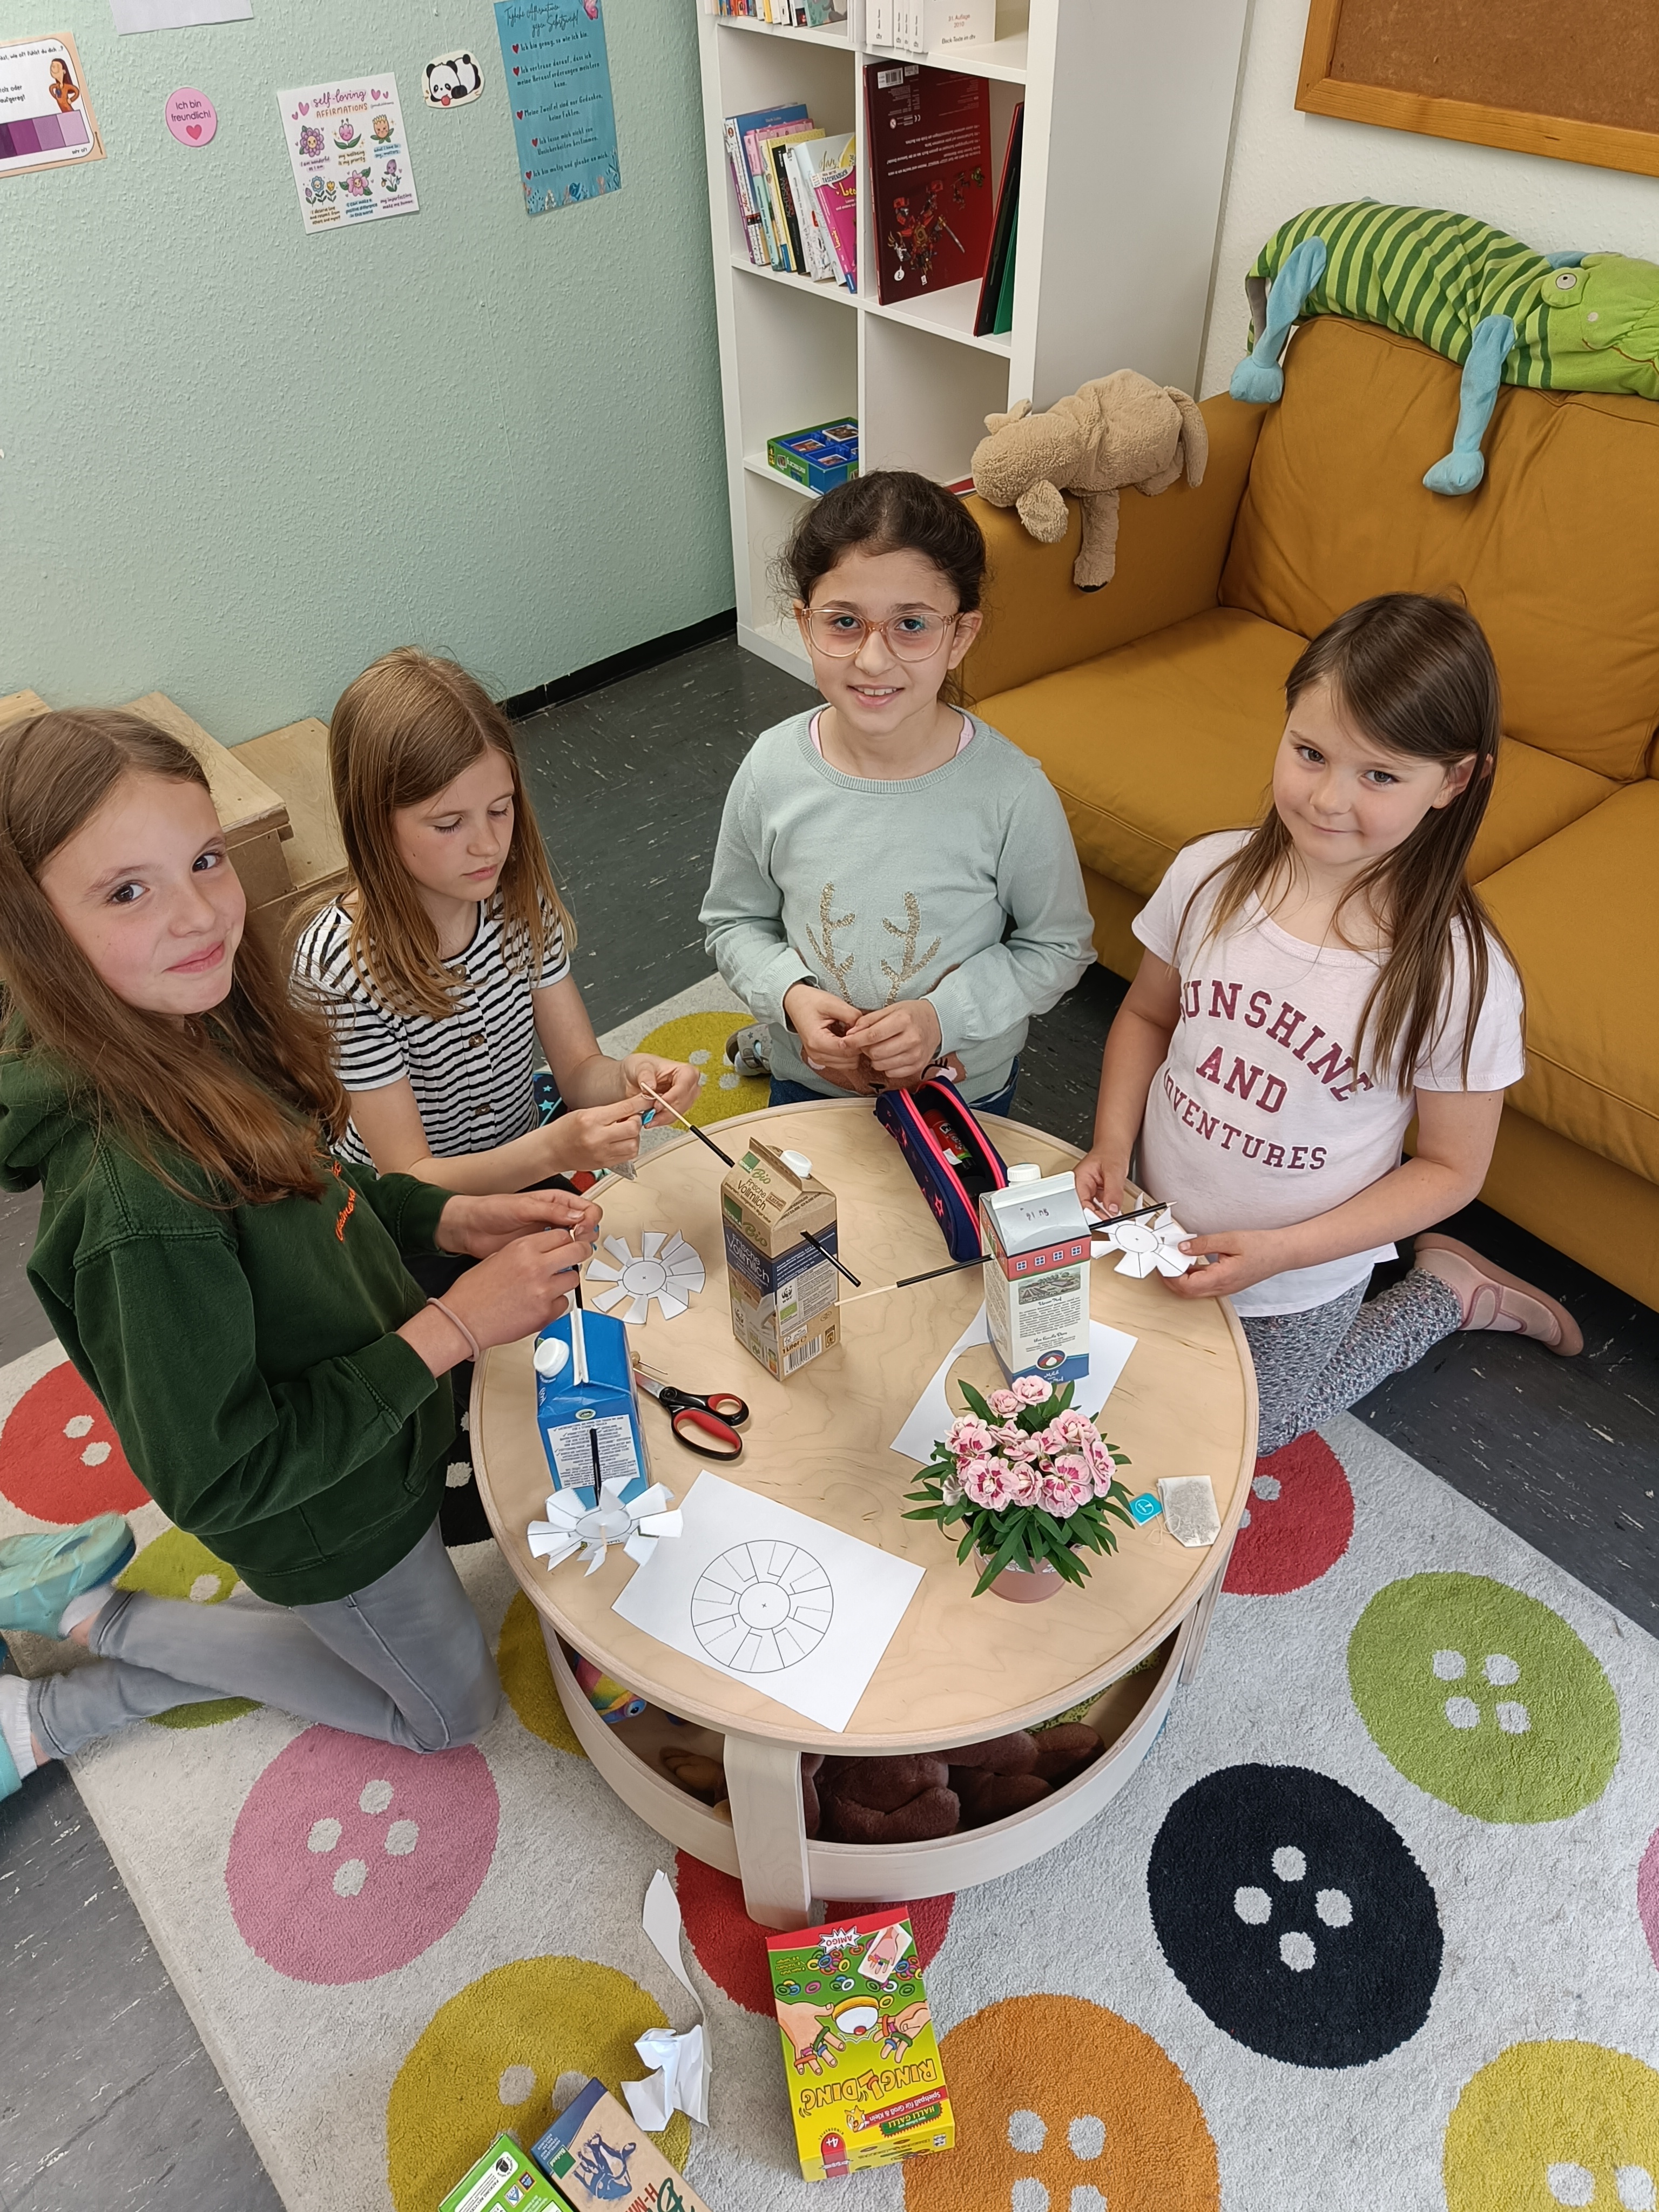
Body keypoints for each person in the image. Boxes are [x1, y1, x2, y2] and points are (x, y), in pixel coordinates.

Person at [0, 710, 598, 1806]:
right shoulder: (138, 1206)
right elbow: (224, 1473)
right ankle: (88, 1654)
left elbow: (319, 1188)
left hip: (374, 1428)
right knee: (451, 1714)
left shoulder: (198, 1018)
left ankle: (79, 1619)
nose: (198, 915)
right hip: (324, 1516)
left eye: (205, 859)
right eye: (126, 891)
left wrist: (444, 1219)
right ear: (34, 931)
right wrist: (454, 1324)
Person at [1075, 594, 1580, 1461]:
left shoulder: (1461, 977)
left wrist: (1286, 1253)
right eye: (1310, 753)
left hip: (1304, 1276)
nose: (1328, 798)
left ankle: (1442, 1294)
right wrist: (1112, 1146)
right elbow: (1149, 1015)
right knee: (1113, 1386)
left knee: (1252, 1433)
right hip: (1153, 1222)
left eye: (1380, 776)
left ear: (1453, 782)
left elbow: (1453, 1167)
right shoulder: (1206, 875)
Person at [291, 649, 698, 1539]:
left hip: (524, 1169)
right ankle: (463, 1496)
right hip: (405, 1224)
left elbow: (579, 1069)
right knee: (453, 1391)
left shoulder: (519, 901)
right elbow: (411, 1179)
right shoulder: (341, 963)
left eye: (501, 808)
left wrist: (630, 1078)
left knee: (564, 1359)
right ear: (373, 824)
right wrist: (558, 1147)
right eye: (448, 822)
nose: (487, 844)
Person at [703, 470, 1094, 1115]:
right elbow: (733, 921)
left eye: (911, 623)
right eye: (844, 622)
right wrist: (789, 997)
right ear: (805, 624)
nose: (874, 659)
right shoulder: (770, 769)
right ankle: (764, 1047)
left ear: (960, 637)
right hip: (808, 1080)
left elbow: (1058, 945)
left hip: (960, 1093)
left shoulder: (1013, 793)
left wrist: (942, 1017)